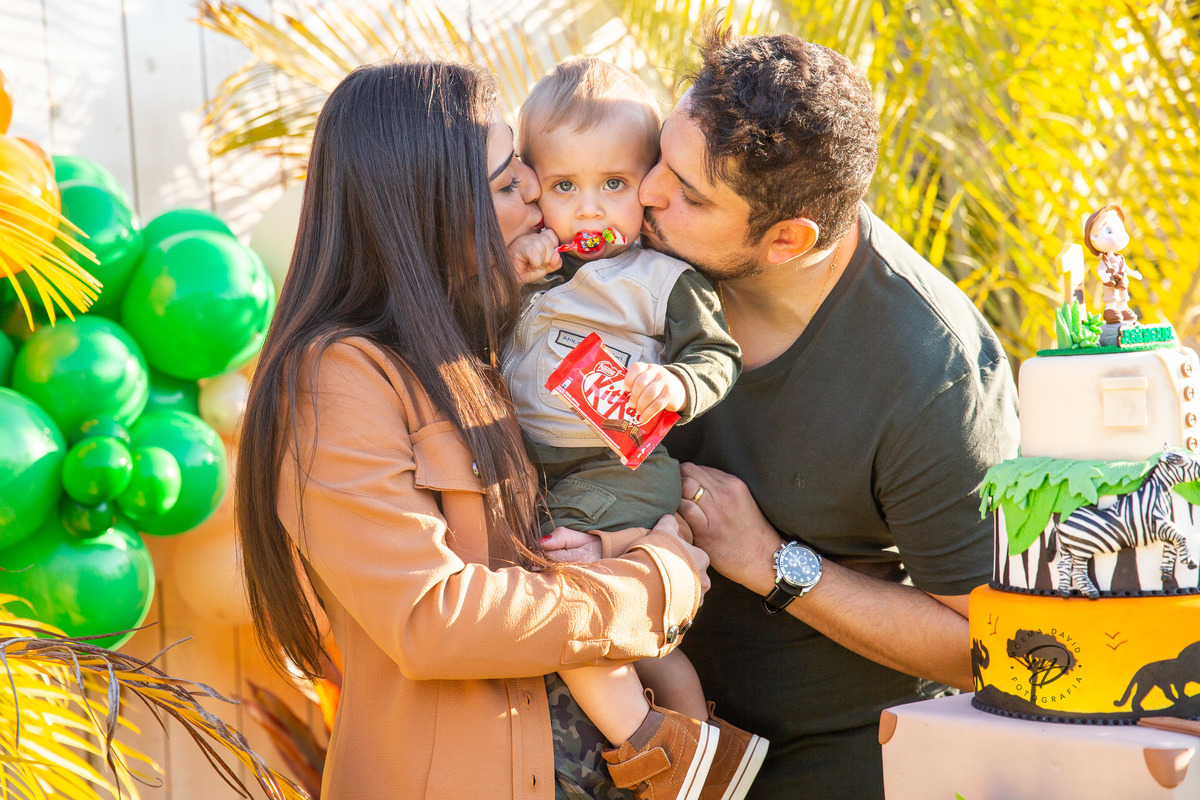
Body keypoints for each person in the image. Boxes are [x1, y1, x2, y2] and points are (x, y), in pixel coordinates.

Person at [233, 60, 711, 800]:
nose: (533, 193)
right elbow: (434, 618)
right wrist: (653, 583)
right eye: (504, 183)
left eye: (522, 169)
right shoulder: (337, 378)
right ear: (426, 210)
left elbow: (542, 530)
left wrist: (625, 539)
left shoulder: (483, 339)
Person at [632, 23, 1020, 799]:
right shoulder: (639, 249)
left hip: (838, 764)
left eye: (690, 193)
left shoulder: (930, 372)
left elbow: (985, 641)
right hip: (644, 747)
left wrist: (771, 561)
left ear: (787, 240)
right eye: (660, 158)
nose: (647, 191)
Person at [503, 57, 765, 800]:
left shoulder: (660, 280)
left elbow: (717, 356)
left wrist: (674, 383)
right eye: (565, 188)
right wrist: (504, 274)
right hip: (543, 474)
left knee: (569, 608)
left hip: (619, 471)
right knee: (646, 648)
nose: (590, 211)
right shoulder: (530, 269)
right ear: (533, 186)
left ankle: (655, 750)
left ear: (647, 181)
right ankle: (706, 748)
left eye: (613, 185)